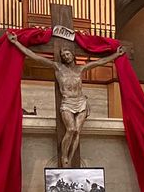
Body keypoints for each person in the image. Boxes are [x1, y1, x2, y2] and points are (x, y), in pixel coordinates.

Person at [7, 32, 127, 167]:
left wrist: (116, 55)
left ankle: (70, 159)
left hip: (81, 102)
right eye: (63, 55)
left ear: (73, 55)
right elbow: (35, 57)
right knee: (70, 129)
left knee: (77, 131)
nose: (65, 56)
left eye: (67, 54)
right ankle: (64, 156)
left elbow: (100, 62)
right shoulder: (58, 67)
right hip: (67, 103)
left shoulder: (81, 68)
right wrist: (16, 43)